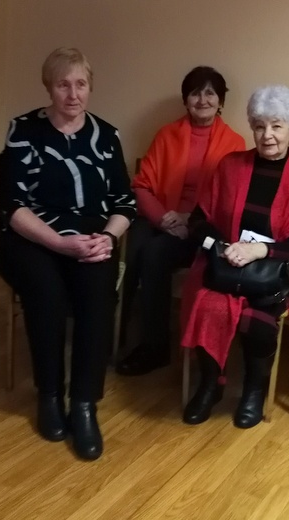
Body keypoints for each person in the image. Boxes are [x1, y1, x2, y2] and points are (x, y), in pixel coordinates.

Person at [0, 48, 136, 461]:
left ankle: (85, 404)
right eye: (63, 85)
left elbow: (124, 203)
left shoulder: (106, 136)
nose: (73, 94)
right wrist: (57, 242)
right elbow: (11, 205)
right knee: (47, 293)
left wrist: (107, 238)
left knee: (98, 291)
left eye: (80, 84)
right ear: (48, 87)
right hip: (28, 237)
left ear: (90, 87)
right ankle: (50, 395)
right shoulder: (24, 130)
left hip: (90, 237)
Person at [180, 85, 289, 429]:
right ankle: (211, 384)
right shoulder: (229, 166)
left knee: (258, 319)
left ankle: (254, 391)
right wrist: (222, 247)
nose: (267, 135)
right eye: (259, 126)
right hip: (225, 264)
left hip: (275, 271)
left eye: (277, 126)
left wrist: (260, 250)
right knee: (209, 305)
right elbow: (198, 221)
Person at [116, 67, 245, 376]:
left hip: (201, 226)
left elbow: (229, 200)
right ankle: (114, 331)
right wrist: (164, 219)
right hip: (160, 217)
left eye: (210, 93)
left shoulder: (234, 143)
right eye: (195, 93)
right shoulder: (167, 134)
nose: (202, 99)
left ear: (221, 101)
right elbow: (141, 186)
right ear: (186, 99)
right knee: (131, 251)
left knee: (154, 254)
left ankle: (155, 347)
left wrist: (190, 219)